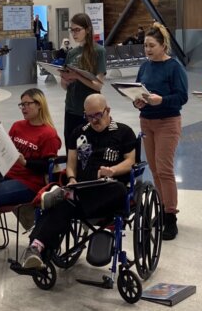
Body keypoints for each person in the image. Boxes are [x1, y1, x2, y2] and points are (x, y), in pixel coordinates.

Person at [19, 94, 137, 270]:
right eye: (89, 116)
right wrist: (72, 178)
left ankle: (65, 195)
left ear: (108, 111)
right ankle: (35, 248)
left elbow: (131, 162)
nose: (94, 120)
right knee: (61, 207)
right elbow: (71, 163)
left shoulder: (123, 132)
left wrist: (113, 170)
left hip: (108, 189)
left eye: (98, 115)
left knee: (118, 189)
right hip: (81, 188)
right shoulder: (79, 132)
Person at [0, 88, 61, 274]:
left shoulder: (48, 134)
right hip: (7, 172)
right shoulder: (17, 126)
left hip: (29, 183)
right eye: (21, 104)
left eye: (27, 104)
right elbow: (5, 150)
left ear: (39, 105)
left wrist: (26, 161)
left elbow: (48, 167)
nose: (23, 108)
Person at [133, 23, 188, 240]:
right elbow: (137, 90)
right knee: (154, 170)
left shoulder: (174, 67)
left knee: (165, 170)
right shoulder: (144, 67)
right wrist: (137, 102)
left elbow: (182, 97)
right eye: (145, 45)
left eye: (152, 45)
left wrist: (161, 100)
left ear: (163, 46)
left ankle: (170, 217)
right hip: (147, 121)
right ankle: (163, 208)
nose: (147, 49)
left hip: (167, 122)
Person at [61, 13, 106, 150]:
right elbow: (64, 86)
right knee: (71, 147)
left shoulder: (98, 51)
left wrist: (78, 76)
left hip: (90, 110)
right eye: (71, 30)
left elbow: (98, 84)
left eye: (77, 30)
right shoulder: (71, 53)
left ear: (87, 30)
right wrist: (65, 79)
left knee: (88, 149)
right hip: (71, 107)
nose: (74, 33)